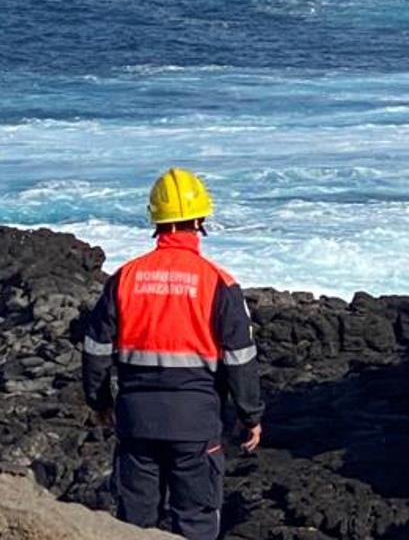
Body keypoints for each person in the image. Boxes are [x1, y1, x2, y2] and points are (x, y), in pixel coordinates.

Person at [82, 168, 263, 540]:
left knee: (133, 524)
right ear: (200, 220)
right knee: (196, 521)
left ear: (157, 221)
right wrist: (250, 416)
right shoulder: (219, 283)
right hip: (196, 423)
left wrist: (100, 402)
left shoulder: (125, 277)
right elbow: (240, 359)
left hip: (135, 420)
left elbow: (95, 348)